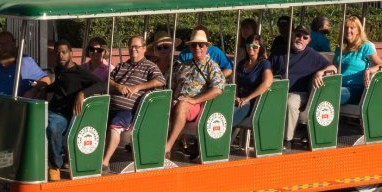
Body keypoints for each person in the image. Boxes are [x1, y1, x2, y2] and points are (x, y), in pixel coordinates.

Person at [35, 40, 104, 175]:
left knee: (53, 128)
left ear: (71, 54)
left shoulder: (80, 72)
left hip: (66, 115)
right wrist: (45, 88)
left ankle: (55, 165)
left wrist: (82, 93)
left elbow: (101, 84)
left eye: (64, 52)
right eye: (57, 53)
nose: (60, 55)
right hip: (51, 109)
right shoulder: (59, 69)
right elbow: (61, 86)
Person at [163, 29, 226, 159]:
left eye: (200, 45)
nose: (197, 48)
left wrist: (195, 100)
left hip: (194, 106)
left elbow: (218, 88)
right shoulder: (183, 65)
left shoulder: (212, 66)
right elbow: (168, 82)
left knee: (183, 105)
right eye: (193, 45)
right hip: (175, 101)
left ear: (206, 47)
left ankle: (168, 147)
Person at [103, 33, 165, 165]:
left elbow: (160, 80)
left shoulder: (150, 66)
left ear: (144, 49)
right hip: (109, 106)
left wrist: (138, 87)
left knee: (115, 123)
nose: (133, 49)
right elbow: (107, 80)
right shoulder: (121, 66)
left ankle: (105, 162)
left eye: (137, 47)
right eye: (131, 47)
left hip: (129, 110)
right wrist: (118, 86)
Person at [270, 24, 333, 144]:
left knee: (290, 102)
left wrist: (320, 72)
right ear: (292, 35)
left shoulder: (312, 55)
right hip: (278, 89)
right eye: (298, 35)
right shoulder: (279, 51)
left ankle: (287, 140)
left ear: (309, 40)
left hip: (298, 93)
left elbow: (333, 68)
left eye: (305, 37)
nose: (300, 39)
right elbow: (267, 68)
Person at [0, 30, 46, 97]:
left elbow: (46, 79)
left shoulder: (25, 61)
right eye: (0, 43)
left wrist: (34, 90)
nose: (3, 46)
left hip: (16, 105)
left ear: (14, 43)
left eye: (7, 43)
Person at [334, 15, 380, 106]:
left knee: (332, 95)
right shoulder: (340, 48)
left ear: (358, 30)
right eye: (346, 28)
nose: (348, 30)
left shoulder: (365, 46)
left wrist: (370, 70)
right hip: (339, 85)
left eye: (352, 28)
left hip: (355, 88)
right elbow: (334, 67)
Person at [232, 35, 274, 128]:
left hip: (252, 102)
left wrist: (248, 98)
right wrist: (235, 97)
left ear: (260, 48)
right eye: (248, 45)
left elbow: (267, 83)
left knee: (227, 120)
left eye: (255, 46)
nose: (251, 48)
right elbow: (235, 84)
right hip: (238, 100)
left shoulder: (264, 63)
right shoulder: (241, 64)